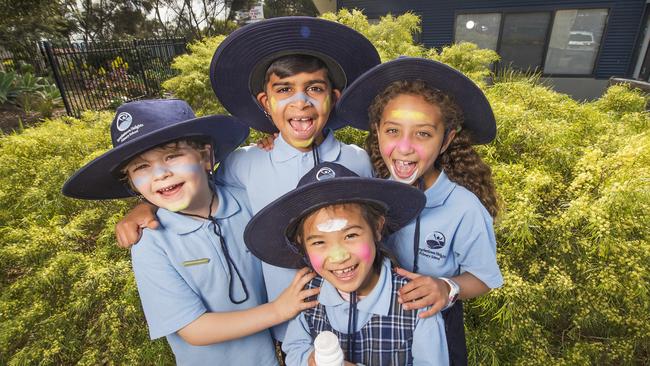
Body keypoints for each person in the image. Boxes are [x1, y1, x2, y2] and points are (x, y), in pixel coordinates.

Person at [114, 16, 381, 343]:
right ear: (265, 103)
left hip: (361, 318)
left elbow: (377, 227)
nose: (301, 102)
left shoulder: (357, 160)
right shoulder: (245, 163)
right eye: (284, 90)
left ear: (334, 97)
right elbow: (191, 186)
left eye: (315, 88)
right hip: (291, 331)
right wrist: (144, 207)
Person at [62, 99, 319, 365]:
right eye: (141, 167)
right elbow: (194, 330)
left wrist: (278, 147)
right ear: (133, 184)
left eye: (172, 156)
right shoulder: (151, 242)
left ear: (206, 157)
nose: (160, 174)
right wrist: (277, 310)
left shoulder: (248, 198)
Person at [335, 57, 504, 365]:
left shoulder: (463, 207)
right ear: (377, 131)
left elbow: (485, 277)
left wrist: (448, 287)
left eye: (423, 134)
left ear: (446, 140)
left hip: (436, 325)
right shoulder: (368, 193)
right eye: (393, 131)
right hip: (374, 326)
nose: (404, 147)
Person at [244, 162, 449, 366]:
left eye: (350, 235)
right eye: (318, 242)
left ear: (377, 228)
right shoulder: (309, 295)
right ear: (302, 245)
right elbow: (294, 347)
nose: (338, 256)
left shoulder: (416, 304)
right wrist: (310, 360)